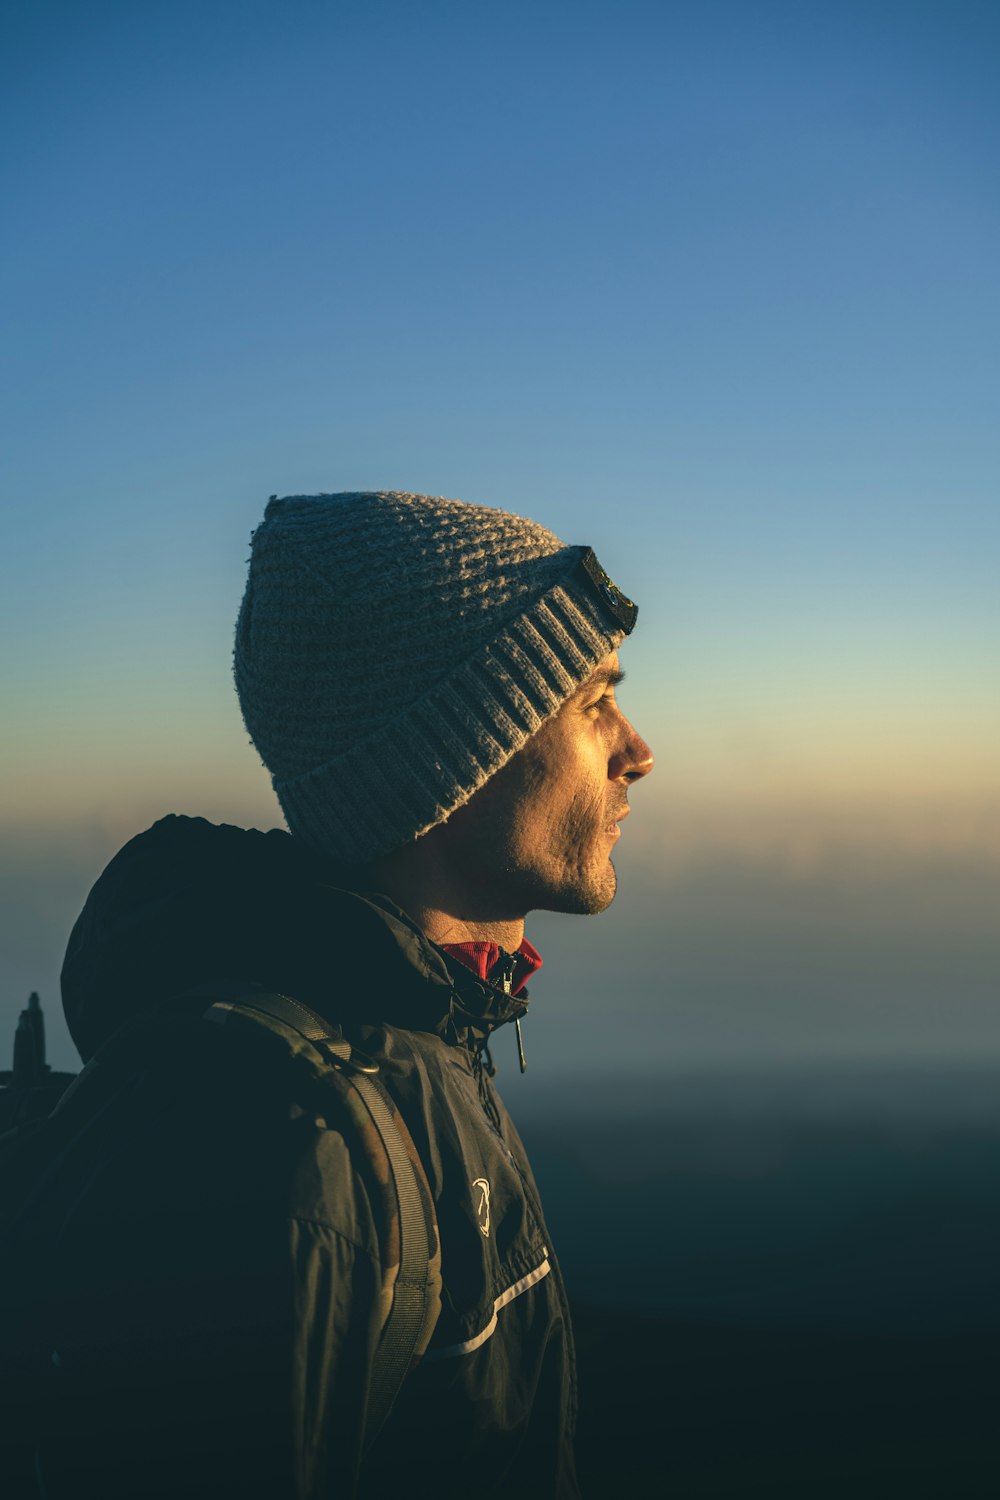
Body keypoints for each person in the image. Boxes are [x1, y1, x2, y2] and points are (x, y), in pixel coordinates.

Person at [42, 492, 654, 1498]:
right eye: (593, 703)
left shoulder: (422, 1043)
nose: (636, 750)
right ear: (458, 755)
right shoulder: (277, 1142)